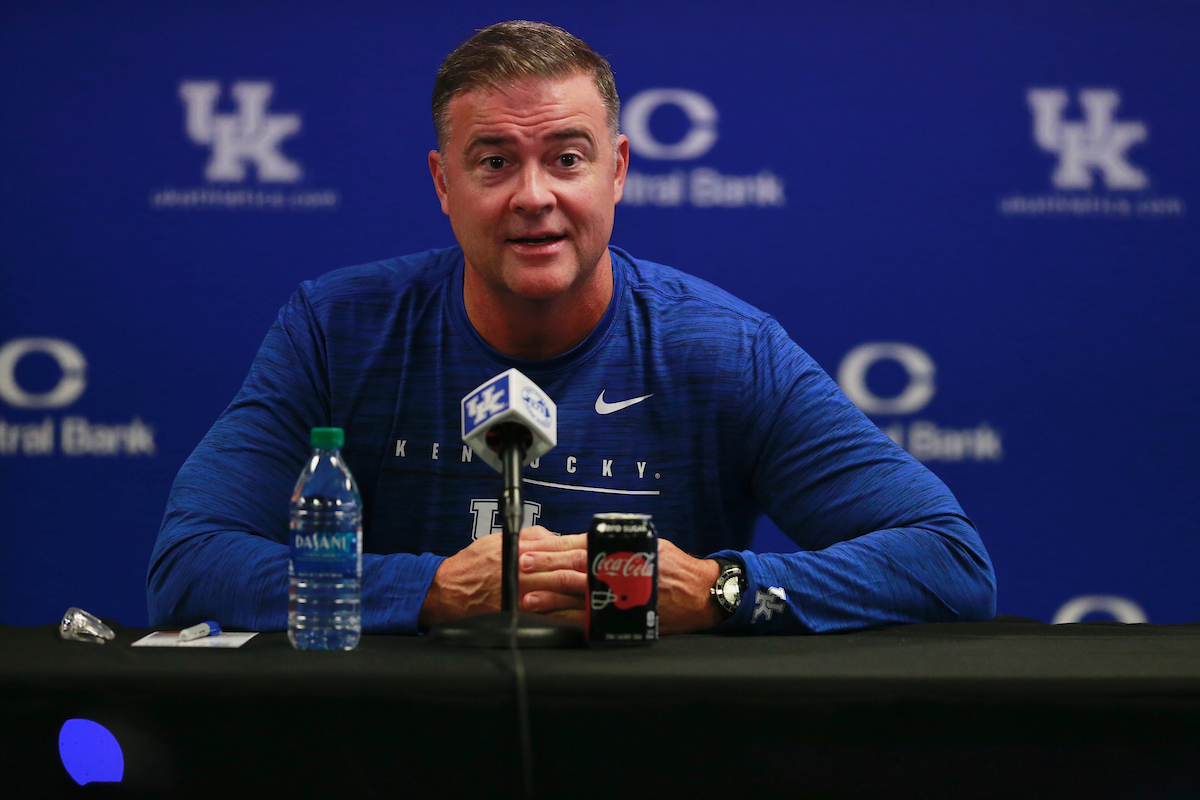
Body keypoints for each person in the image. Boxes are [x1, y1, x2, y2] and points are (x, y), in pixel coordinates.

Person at [147, 21, 995, 636]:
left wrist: (718, 591)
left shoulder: (725, 349)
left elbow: (948, 562)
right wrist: (432, 588)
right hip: (391, 747)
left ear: (616, 171)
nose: (532, 196)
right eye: (493, 162)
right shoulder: (337, 329)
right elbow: (189, 566)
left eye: (566, 157)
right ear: (443, 184)